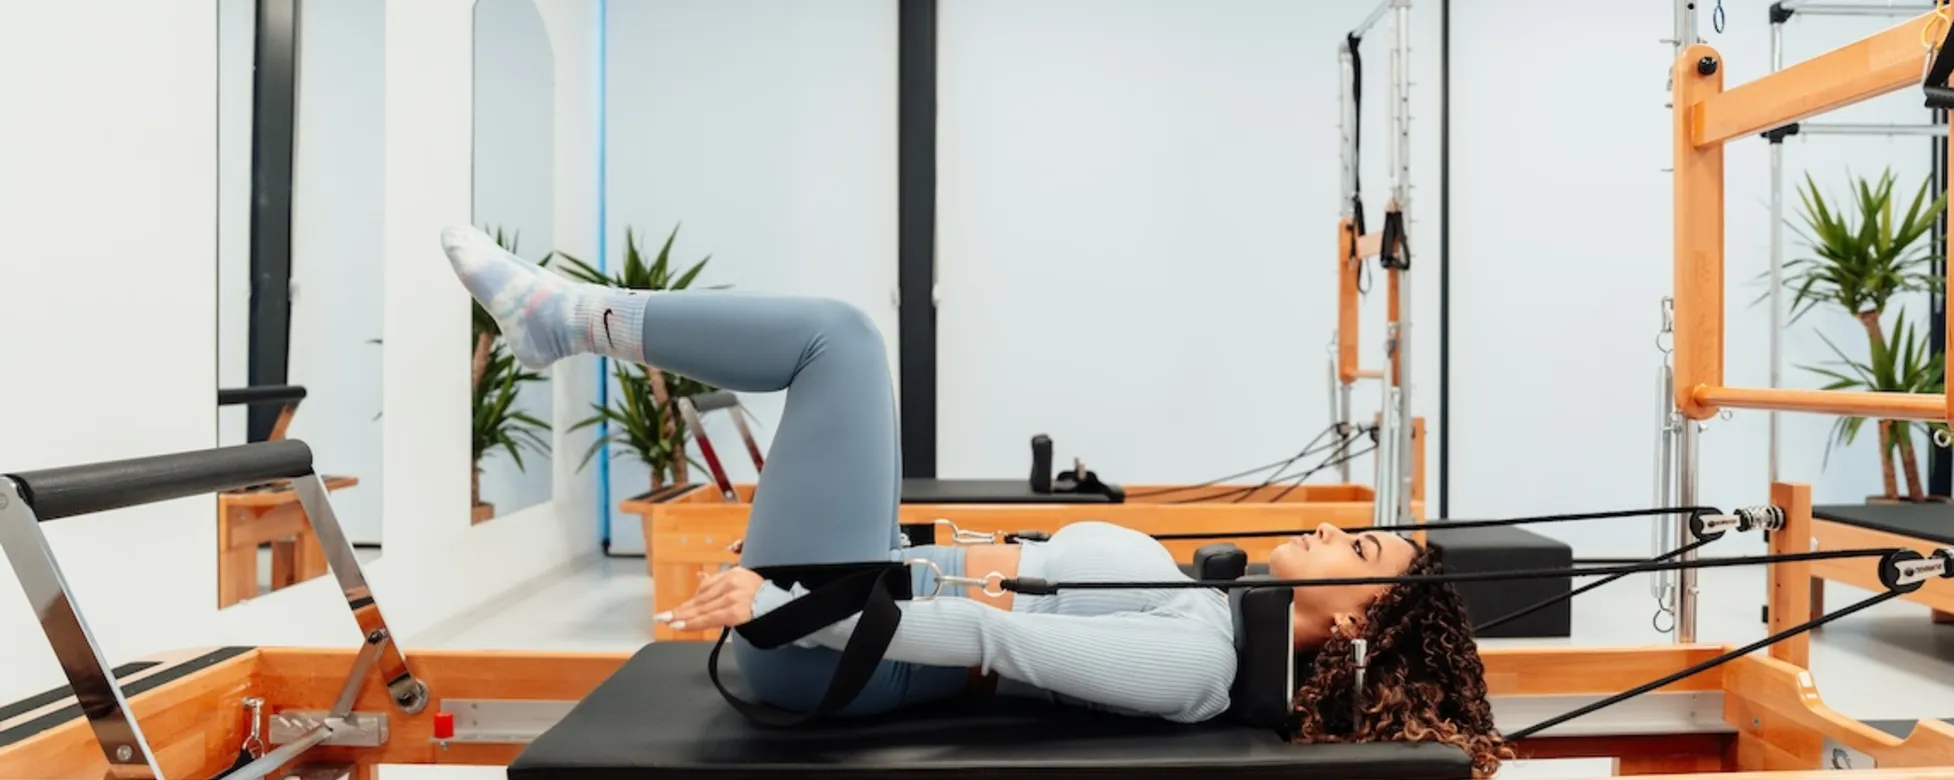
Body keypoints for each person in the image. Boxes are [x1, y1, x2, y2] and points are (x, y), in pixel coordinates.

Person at [439, 225, 1510, 775]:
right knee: (842, 345)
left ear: (1362, 613)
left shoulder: (1199, 664)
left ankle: (563, 320)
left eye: (1355, 539)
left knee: (840, 342)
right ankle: (567, 321)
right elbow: (1014, 585)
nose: (1328, 525)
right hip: (866, 606)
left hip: (841, 645)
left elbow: (997, 646)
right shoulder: (1217, 618)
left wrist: (788, 611)